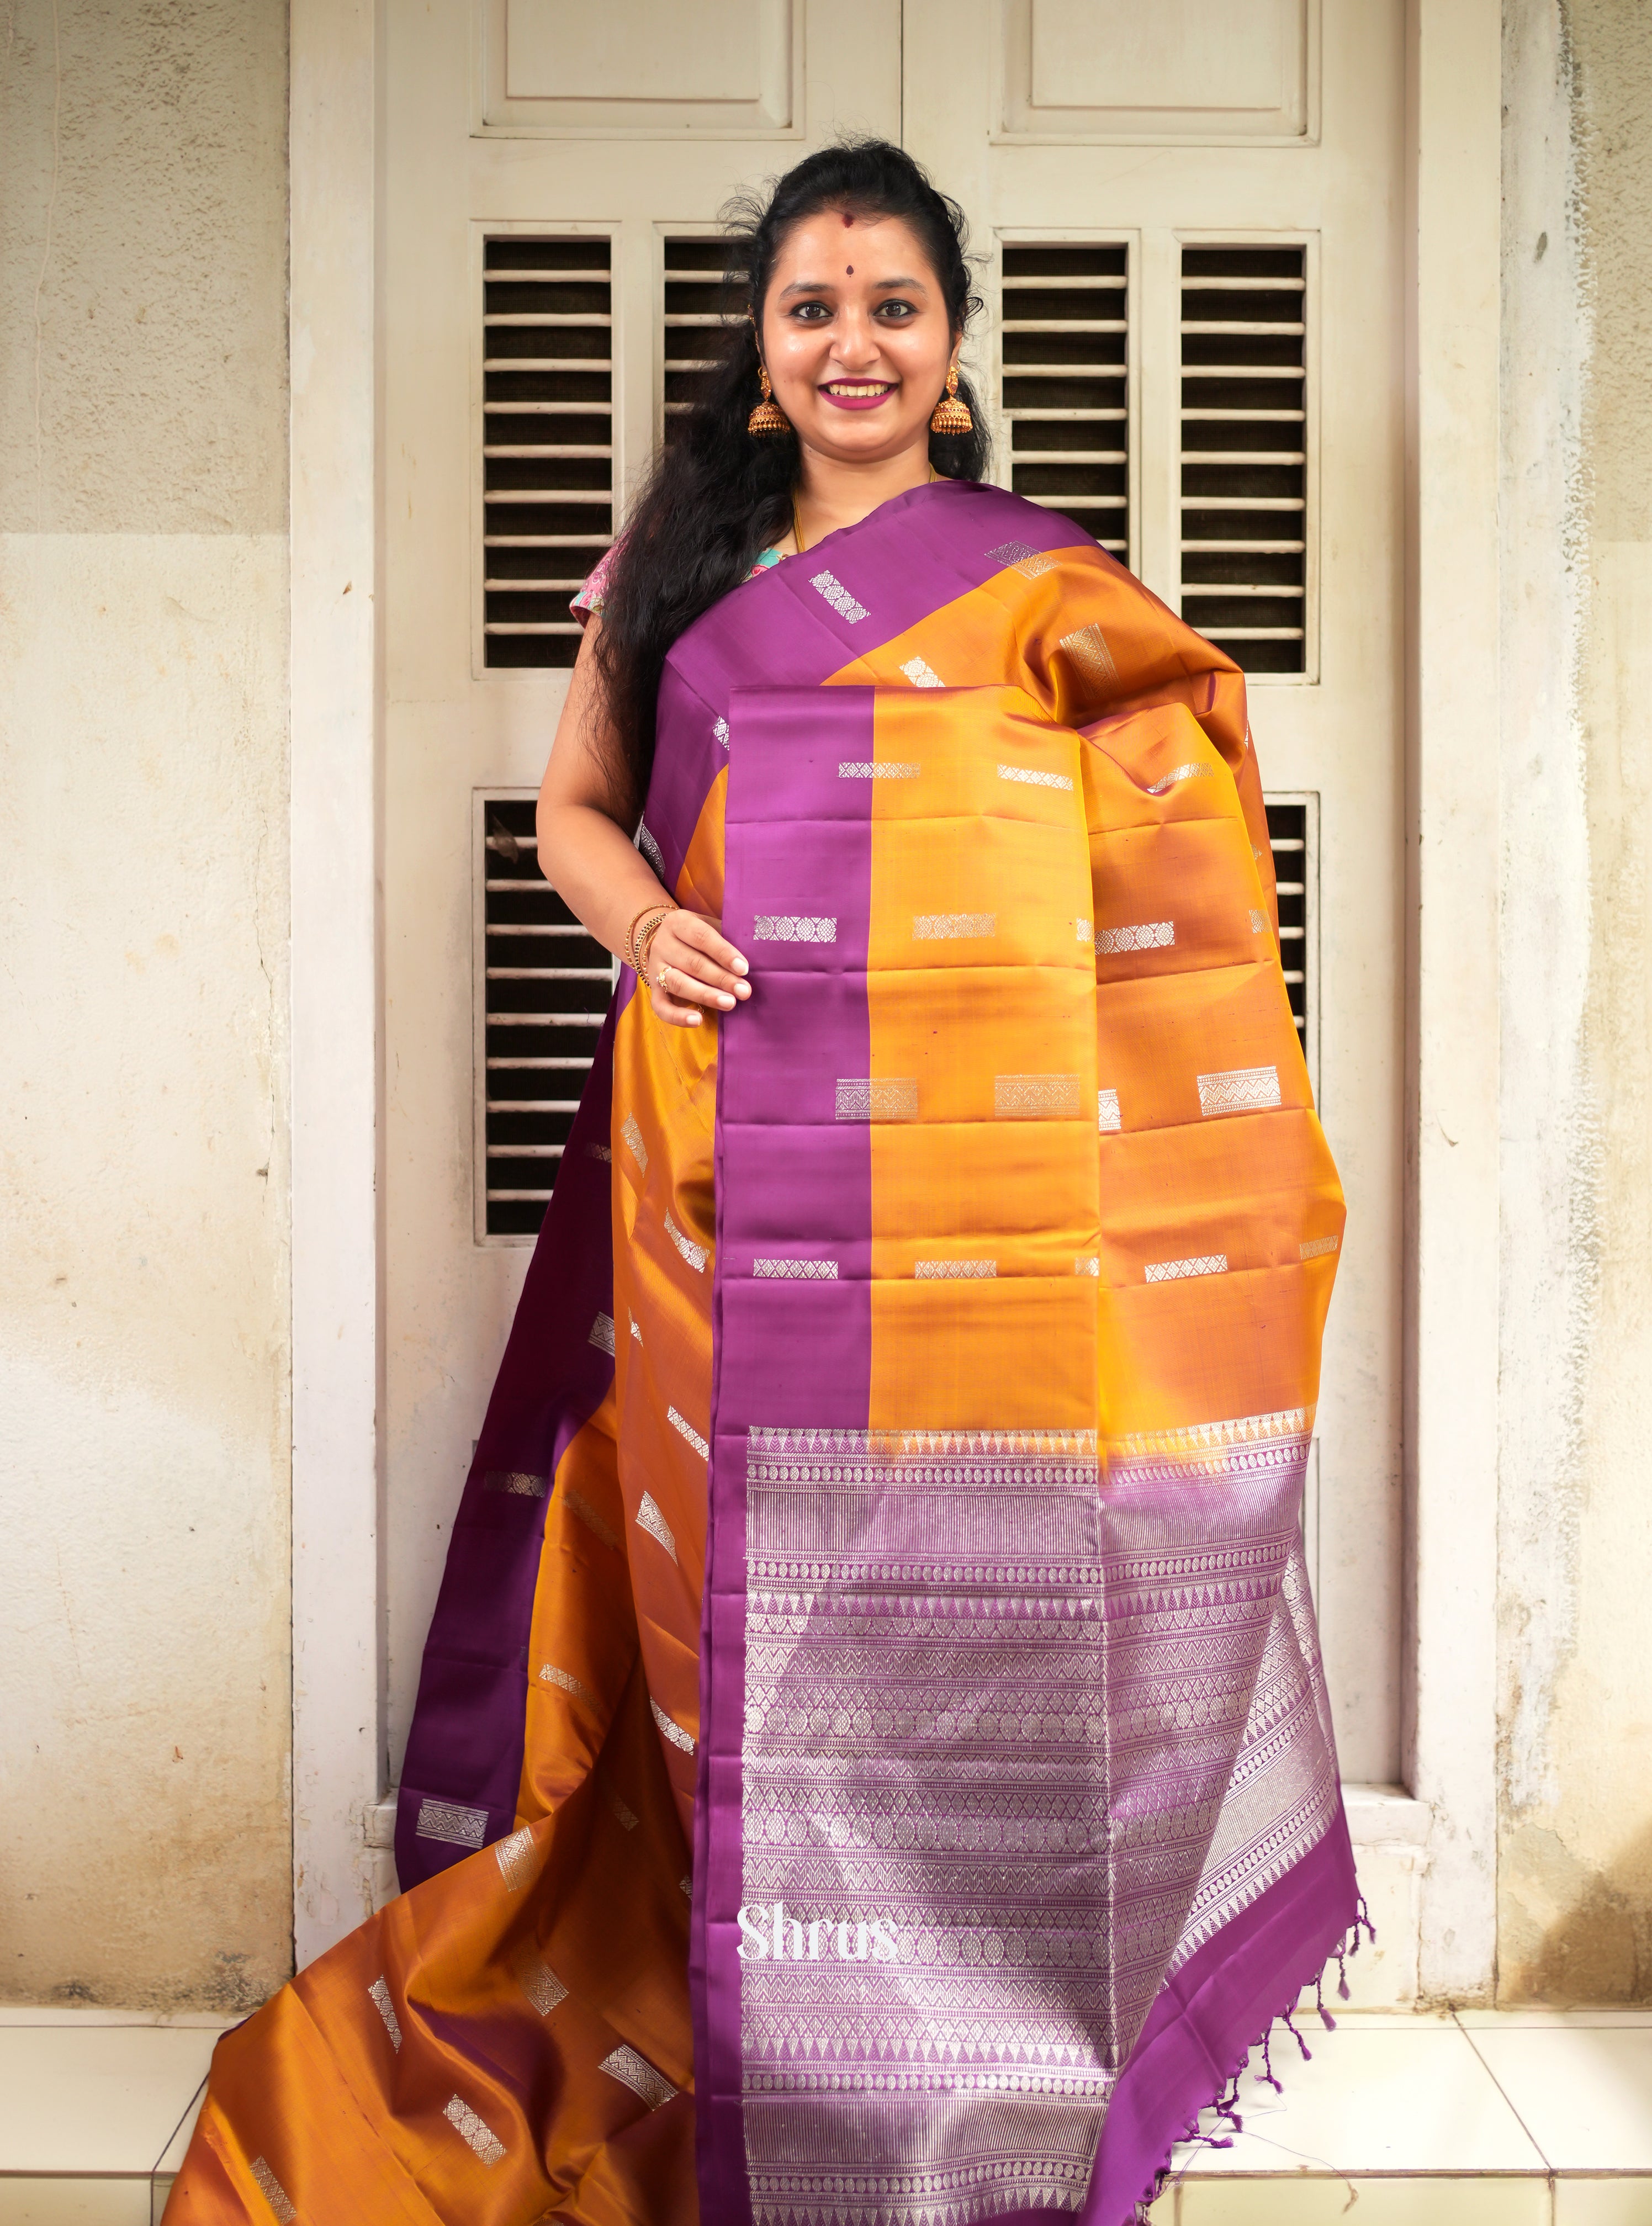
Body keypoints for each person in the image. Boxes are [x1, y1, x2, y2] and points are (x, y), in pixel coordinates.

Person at [166, 139, 1357, 2226]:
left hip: (981, 1222)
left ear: (960, 355)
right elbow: (575, 816)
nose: (853, 343)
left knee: (969, 1620)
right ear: (758, 358)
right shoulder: (680, 582)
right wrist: (646, 930)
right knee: (737, 1631)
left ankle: (967, 2098)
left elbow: (1172, 826)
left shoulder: (1047, 591)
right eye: (810, 306)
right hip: (726, 1166)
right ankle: (745, 2062)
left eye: (892, 303)